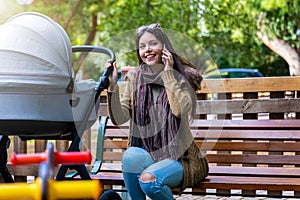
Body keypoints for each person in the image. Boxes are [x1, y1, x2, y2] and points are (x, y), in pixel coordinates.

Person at [104, 23, 209, 200]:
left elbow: (179, 111)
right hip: (149, 155)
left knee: (149, 181)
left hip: (181, 160)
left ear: (165, 47)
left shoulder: (182, 78)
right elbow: (120, 117)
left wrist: (168, 74)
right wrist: (113, 86)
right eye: (142, 46)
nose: (147, 50)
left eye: (153, 44)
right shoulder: (135, 78)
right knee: (130, 156)